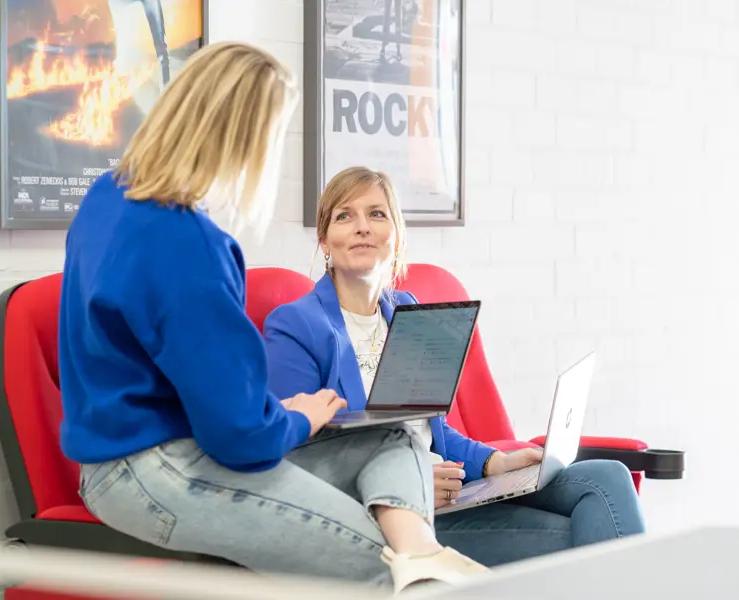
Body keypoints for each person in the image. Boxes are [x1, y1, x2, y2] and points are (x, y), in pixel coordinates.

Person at [57, 42, 491, 594]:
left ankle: (424, 553)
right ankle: (424, 569)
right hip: (156, 472)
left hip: (143, 458)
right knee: (387, 571)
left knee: (392, 436)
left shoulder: (106, 198)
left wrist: (277, 415)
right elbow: (240, 437)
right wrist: (299, 418)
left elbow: (198, 388)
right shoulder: (190, 246)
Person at [263, 165, 647, 567]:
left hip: (450, 493)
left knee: (608, 478)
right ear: (324, 240)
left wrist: (495, 463)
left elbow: (432, 428)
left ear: (396, 234)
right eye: (345, 216)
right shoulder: (297, 325)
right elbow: (293, 461)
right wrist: (402, 483)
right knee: (578, 536)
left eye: (377, 214)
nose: (362, 227)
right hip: (389, 518)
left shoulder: (407, 311)